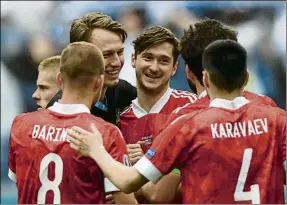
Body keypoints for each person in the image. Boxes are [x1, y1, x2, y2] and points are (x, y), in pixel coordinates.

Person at [67, 40, 286, 204]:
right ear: (246, 78)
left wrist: (96, 149)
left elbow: (128, 181)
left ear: (206, 78)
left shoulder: (187, 125)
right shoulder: (278, 121)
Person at [8, 42, 136, 204]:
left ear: (60, 79)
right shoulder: (105, 133)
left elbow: (23, 185)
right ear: (99, 82)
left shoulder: (21, 124)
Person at [119, 25, 197, 203]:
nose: (154, 67)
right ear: (133, 59)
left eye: (163, 61)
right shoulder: (118, 118)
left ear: (175, 67)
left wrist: (142, 169)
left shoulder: (191, 108)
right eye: (147, 58)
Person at [69, 12, 137, 126]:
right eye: (106, 55)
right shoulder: (63, 108)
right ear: (80, 57)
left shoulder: (122, 92)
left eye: (120, 52)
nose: (117, 62)